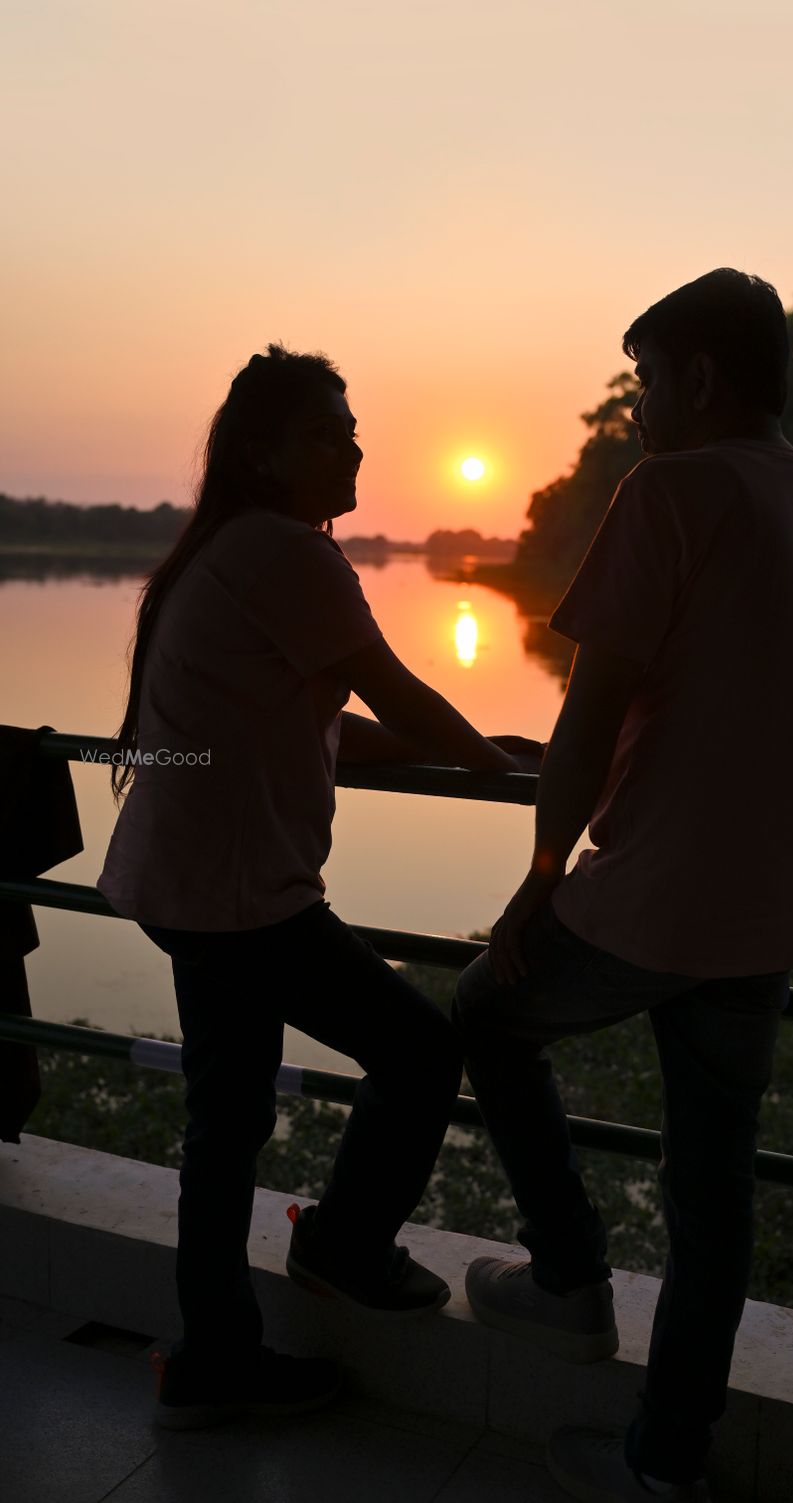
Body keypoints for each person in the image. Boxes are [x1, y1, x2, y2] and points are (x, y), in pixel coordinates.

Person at [452, 269, 793, 1503]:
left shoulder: (675, 491)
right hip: (768, 909)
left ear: (698, 377)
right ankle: (664, 1461)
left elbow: (587, 724)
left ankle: (565, 1281)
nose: (641, 408)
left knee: (486, 1010)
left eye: (646, 380)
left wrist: (541, 876)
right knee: (714, 1189)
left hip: (653, 895)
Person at [95, 343, 538, 1431]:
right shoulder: (289, 555)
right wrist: (507, 767)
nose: (352, 445)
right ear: (264, 453)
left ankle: (215, 1359)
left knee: (227, 1119)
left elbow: (324, 720)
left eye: (352, 427)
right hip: (238, 893)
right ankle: (339, 1249)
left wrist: (480, 750)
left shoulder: (232, 551)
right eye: (327, 431)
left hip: (187, 880)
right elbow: (395, 689)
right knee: (422, 1051)